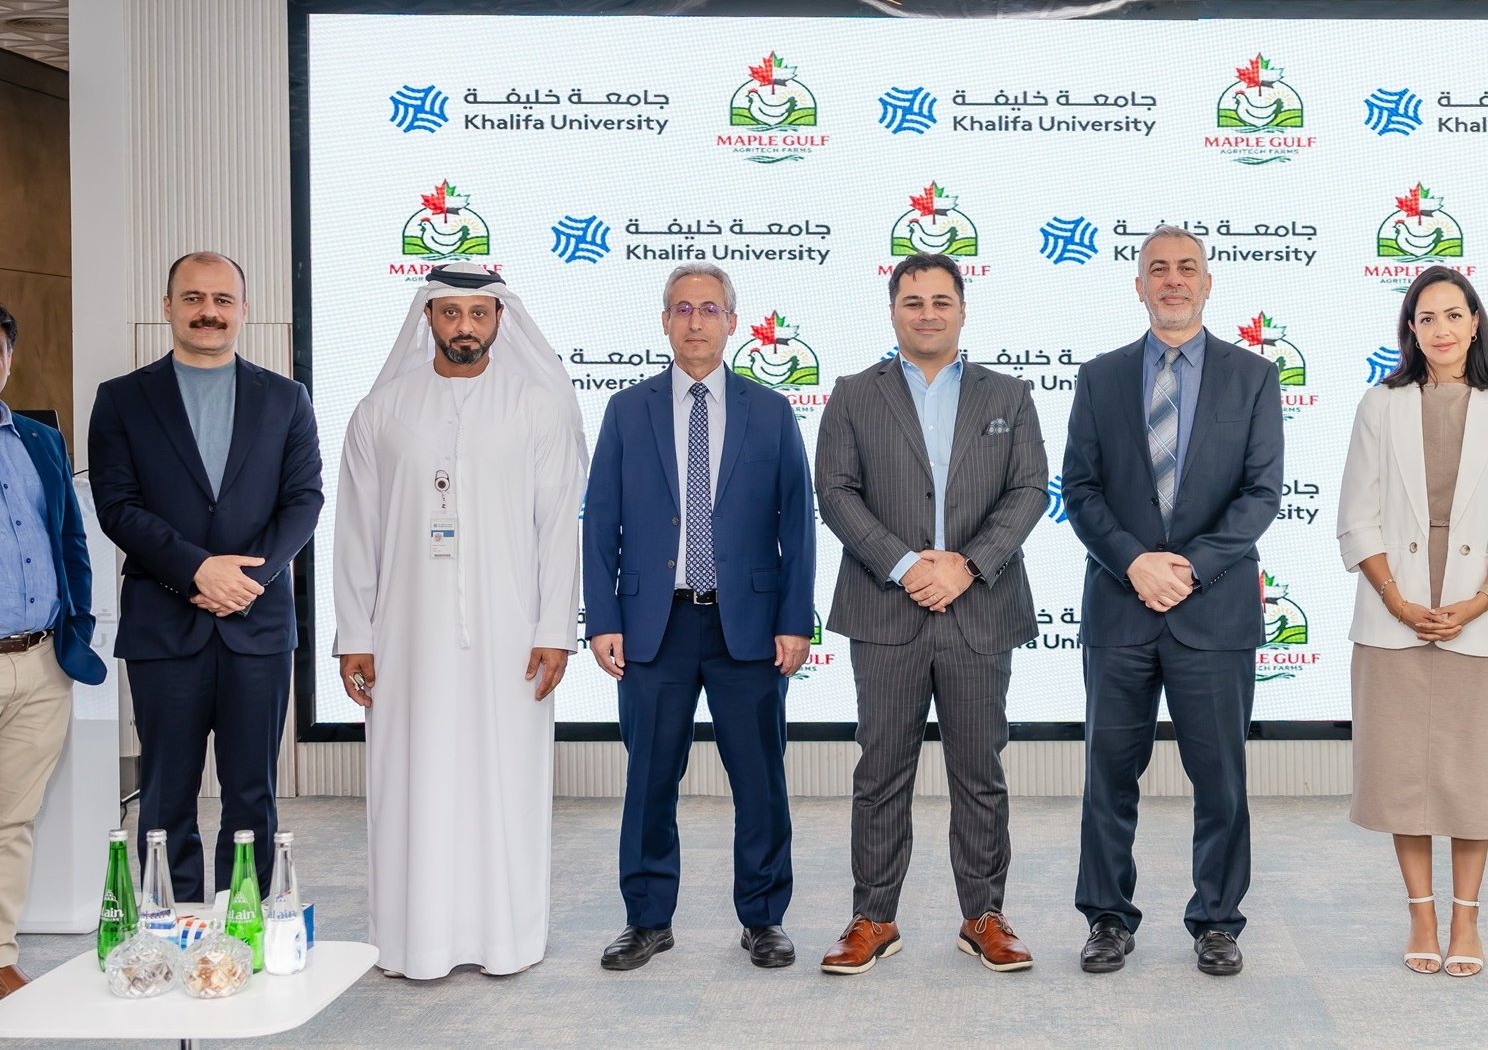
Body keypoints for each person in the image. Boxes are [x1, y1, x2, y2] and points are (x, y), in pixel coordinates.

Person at [332, 267, 585, 979]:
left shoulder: (536, 407)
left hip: (512, 637)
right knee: (411, 782)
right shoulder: (381, 411)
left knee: (505, 780)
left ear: (499, 319)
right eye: (450, 313)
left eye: (478, 313)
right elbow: (356, 529)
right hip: (405, 636)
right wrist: (355, 633)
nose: (464, 326)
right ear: (428, 318)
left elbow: (556, 528)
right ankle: (413, 942)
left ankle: (506, 939)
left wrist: (555, 628)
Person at [814, 253, 1047, 975]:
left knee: (979, 770)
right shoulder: (854, 394)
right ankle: (873, 917)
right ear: (893, 311)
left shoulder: (1010, 394)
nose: (927, 313)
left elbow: (1030, 490)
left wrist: (966, 564)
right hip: (887, 607)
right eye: (913, 301)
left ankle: (984, 916)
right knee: (882, 770)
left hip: (980, 608)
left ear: (962, 311)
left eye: (941, 301)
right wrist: (906, 564)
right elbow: (836, 491)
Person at [1061, 224, 1283, 977]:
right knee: (1108, 777)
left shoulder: (1253, 376)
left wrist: (1186, 569)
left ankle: (1217, 921)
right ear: (1139, 285)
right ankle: (1107, 917)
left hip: (1213, 611)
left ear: (1208, 281)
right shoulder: (1100, 377)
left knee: (1220, 781)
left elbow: (1261, 494)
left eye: (1187, 267)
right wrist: (1134, 562)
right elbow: (1080, 490)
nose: (1173, 279)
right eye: (1158, 268)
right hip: (1120, 608)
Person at [585, 264, 814, 972]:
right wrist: (602, 617)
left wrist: (795, 619)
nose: (695, 321)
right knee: (650, 780)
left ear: (732, 323)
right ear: (664, 322)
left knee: (760, 780)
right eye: (682, 309)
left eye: (709, 308)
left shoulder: (770, 410)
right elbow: (601, 521)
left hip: (748, 623)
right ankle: (647, 919)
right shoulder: (628, 410)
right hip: (655, 625)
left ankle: (764, 918)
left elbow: (798, 522)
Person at [88, 251, 322, 904]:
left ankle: (245, 926)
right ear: (168, 307)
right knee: (165, 793)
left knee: (253, 793)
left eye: (222, 299)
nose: (208, 311)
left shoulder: (286, 398)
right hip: (164, 625)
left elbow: (303, 500)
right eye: (193, 298)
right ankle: (170, 929)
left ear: (244, 310)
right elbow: (117, 506)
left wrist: (245, 579)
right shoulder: (122, 400)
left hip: (258, 625)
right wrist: (195, 569)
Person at [1335, 266, 1488, 978]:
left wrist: (1479, 601)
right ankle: (1421, 914)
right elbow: (1356, 516)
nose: (1441, 329)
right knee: (1405, 778)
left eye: (1454, 315)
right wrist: (1397, 601)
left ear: (1475, 323)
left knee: (1468, 778)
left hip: (1478, 619)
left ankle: (1466, 918)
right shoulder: (1380, 404)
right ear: (1411, 330)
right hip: (1395, 618)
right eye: (1427, 318)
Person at [0, 304, 104, 999]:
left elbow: (71, 542)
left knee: (11, 821)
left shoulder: (39, 441)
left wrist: (78, 626)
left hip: (40, 663)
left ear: (9, 360)